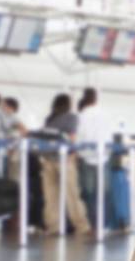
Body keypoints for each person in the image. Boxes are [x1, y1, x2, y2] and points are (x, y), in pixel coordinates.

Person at [40, 94, 91, 237]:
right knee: (72, 194)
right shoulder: (71, 117)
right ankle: (81, 226)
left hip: (47, 159)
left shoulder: (50, 119)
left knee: (51, 196)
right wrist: (74, 154)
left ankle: (53, 226)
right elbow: (72, 136)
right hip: (64, 159)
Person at [76, 87, 111, 228]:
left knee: (89, 192)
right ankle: (105, 224)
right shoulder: (104, 113)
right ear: (96, 98)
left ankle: (93, 224)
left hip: (87, 157)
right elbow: (110, 134)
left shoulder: (82, 115)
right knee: (104, 192)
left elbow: (79, 136)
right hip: (103, 157)